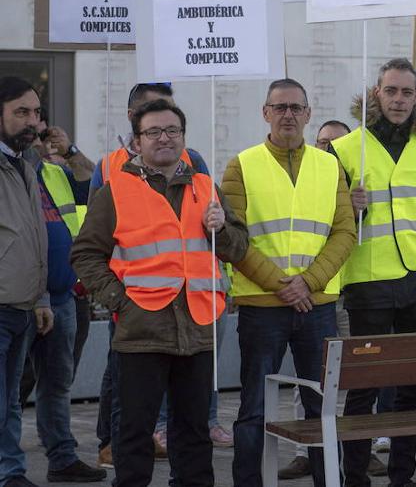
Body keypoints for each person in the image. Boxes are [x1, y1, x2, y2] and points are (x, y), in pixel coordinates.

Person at [70, 98, 248, 487]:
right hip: (141, 332)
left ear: (183, 137)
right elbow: (85, 254)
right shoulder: (115, 191)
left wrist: (222, 229)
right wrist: (119, 300)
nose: (164, 138)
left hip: (199, 330)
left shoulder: (206, 187)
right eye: (153, 132)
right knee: (134, 434)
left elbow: (239, 248)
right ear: (137, 142)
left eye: (172, 131)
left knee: (194, 433)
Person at [328, 58, 416, 487]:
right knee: (365, 386)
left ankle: (402, 478)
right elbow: (329, 218)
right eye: (391, 91)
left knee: (411, 385)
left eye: (407, 92)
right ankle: (356, 478)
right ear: (376, 94)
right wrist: (349, 205)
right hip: (369, 279)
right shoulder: (348, 148)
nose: (399, 100)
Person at [220, 79, 356, 487]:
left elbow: (345, 233)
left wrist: (308, 284)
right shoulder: (241, 164)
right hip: (263, 308)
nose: (288, 115)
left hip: (317, 306)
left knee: (322, 409)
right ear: (265, 113)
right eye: (279, 107)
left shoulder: (330, 165)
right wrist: (283, 285)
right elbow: (231, 239)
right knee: (254, 409)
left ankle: (329, 480)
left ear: (309, 114)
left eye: (296, 107)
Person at [25, 116, 106, 483]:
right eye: (27, 122)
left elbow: (93, 184)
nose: (40, 134)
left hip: (63, 297)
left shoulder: (56, 173)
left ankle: (61, 458)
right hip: (18, 299)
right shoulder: (12, 173)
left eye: (40, 123)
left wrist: (70, 150)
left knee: (58, 384)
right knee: (13, 384)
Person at [1, 77, 55, 487]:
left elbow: (31, 234)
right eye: (21, 112)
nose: (33, 122)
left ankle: (11, 472)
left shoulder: (23, 165)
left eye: (36, 113)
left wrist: (40, 297)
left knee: (12, 404)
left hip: (21, 306)